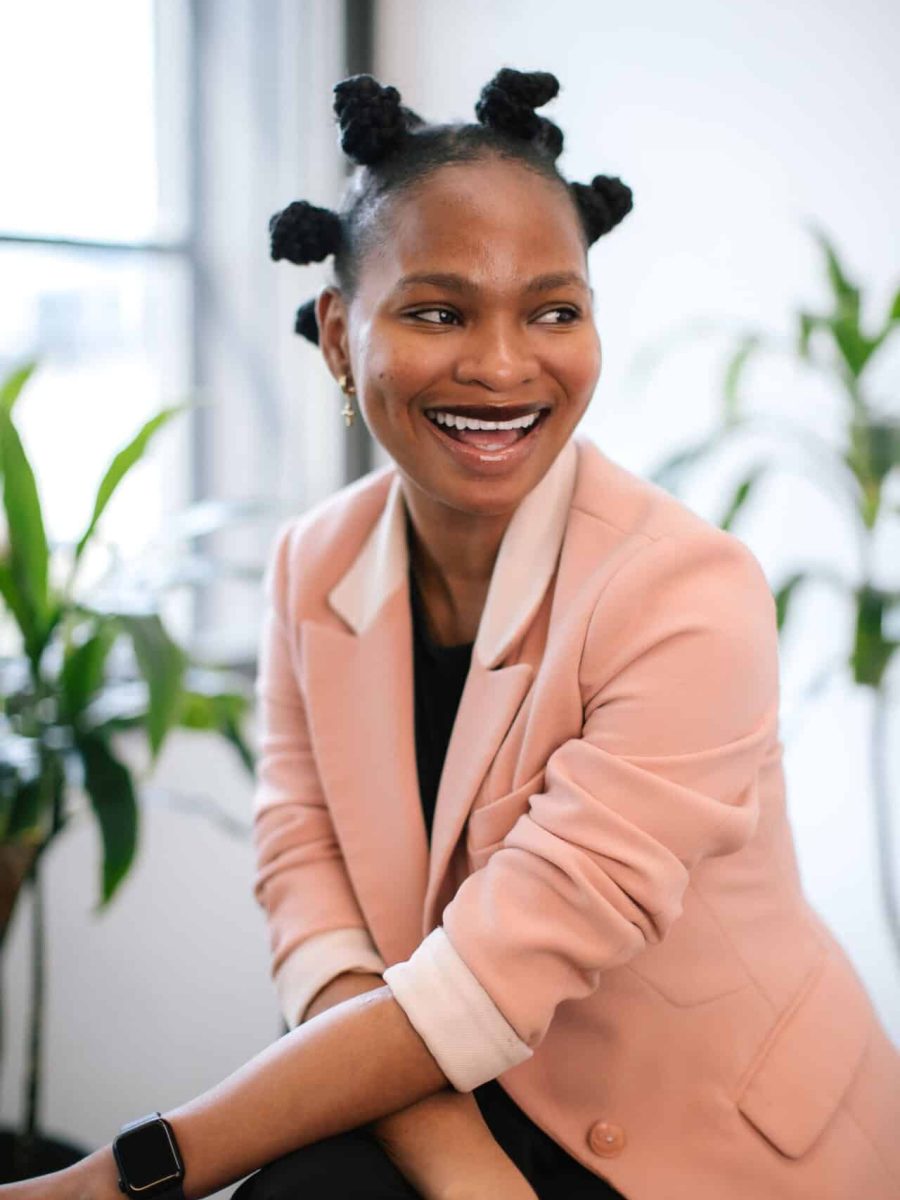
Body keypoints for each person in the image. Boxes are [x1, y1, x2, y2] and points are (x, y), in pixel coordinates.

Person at [4, 67, 899, 1200]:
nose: (503, 364)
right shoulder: (310, 564)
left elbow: (504, 964)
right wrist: (456, 1158)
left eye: (553, 310)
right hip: (458, 1084)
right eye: (438, 310)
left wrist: (114, 1181)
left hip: (715, 1136)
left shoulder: (690, 591)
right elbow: (308, 885)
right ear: (338, 334)